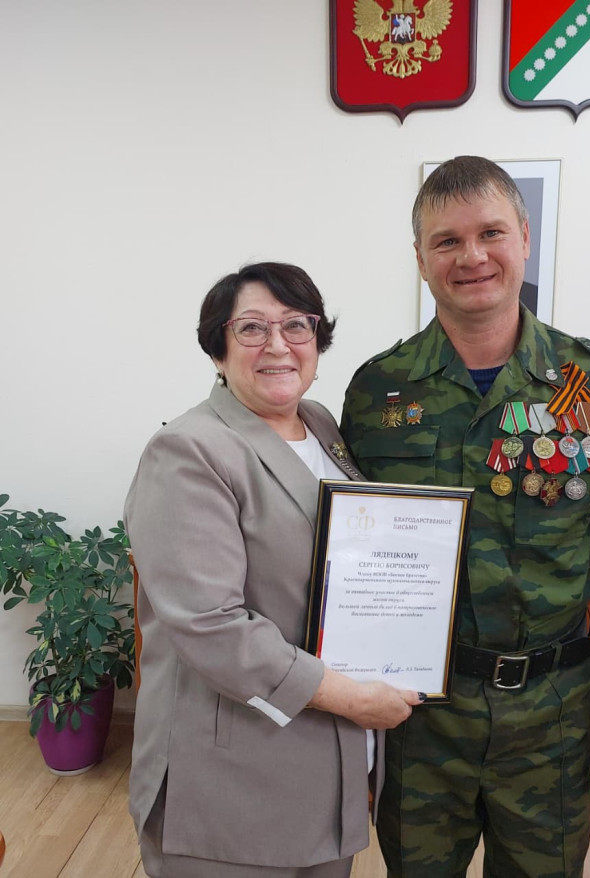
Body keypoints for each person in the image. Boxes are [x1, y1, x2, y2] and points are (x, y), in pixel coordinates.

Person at [340, 157, 590, 878]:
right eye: (446, 241)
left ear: (524, 238)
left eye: (490, 232)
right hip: (418, 716)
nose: (471, 257)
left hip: (551, 719)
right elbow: (352, 557)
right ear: (419, 258)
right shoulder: (378, 392)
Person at [125, 262, 422, 878]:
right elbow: (211, 625)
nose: (278, 345)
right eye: (252, 328)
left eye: (296, 325)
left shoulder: (321, 426)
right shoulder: (189, 450)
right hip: (232, 782)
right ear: (218, 349)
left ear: (317, 339)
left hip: (329, 770)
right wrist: (353, 698)